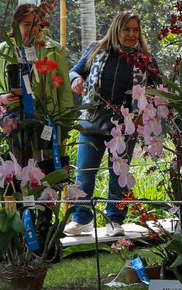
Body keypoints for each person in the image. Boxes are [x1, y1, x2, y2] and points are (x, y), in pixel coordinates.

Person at [66, 12, 155, 236]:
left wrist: (146, 110)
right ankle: (81, 219)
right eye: (127, 29)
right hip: (92, 122)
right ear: (116, 29)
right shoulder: (97, 48)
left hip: (125, 124)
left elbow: (157, 87)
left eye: (136, 30)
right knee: (85, 173)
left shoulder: (144, 58)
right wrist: (76, 79)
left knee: (119, 175)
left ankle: (114, 220)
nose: (132, 34)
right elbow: (74, 71)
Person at [0, 3, 73, 169]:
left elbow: (64, 91)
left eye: (36, 24)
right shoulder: (3, 49)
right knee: (18, 169)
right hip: (14, 121)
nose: (33, 29)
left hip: (46, 120)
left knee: (44, 169)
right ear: (16, 25)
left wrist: (65, 122)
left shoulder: (54, 49)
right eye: (27, 24)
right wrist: (2, 97)